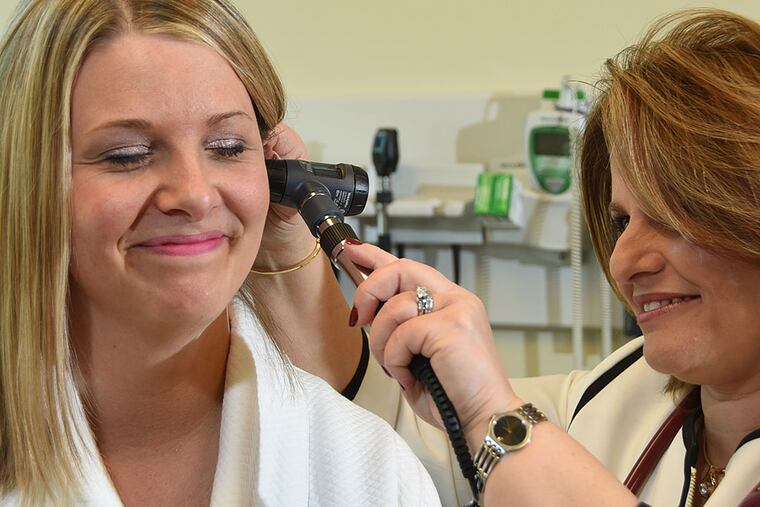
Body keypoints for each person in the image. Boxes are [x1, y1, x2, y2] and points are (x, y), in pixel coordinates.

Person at [0, 0, 440, 505]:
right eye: (128, 155)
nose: (196, 194)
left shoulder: (367, 472)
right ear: (24, 182)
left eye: (229, 147)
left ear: (273, 174)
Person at [334, 8, 760, 507]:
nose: (624, 263)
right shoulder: (625, 392)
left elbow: (500, 431)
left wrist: (491, 415)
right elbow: (411, 440)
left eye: (672, 215)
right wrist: (289, 245)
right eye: (623, 222)